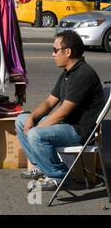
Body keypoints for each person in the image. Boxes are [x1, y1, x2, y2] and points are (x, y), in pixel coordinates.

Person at [15, 30, 104, 191]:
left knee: (36, 134)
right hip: (66, 125)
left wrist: (36, 128)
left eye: (55, 50)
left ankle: (58, 176)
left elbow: (63, 111)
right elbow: (50, 102)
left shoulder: (83, 75)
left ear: (67, 51)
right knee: (21, 120)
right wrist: (31, 118)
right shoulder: (67, 73)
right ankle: (41, 166)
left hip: (80, 131)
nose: (52, 54)